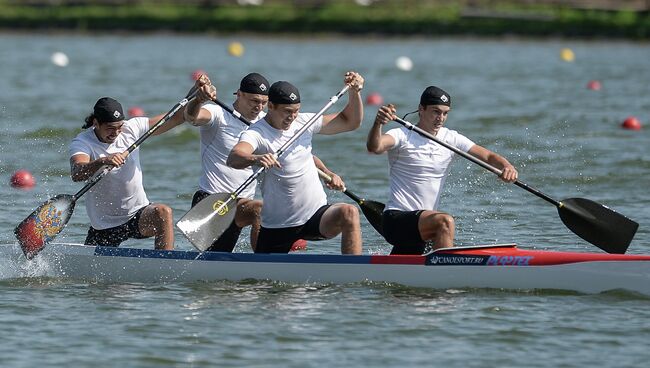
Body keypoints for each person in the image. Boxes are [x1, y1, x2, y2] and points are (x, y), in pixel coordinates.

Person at [184, 73, 337, 252]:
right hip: (212, 200)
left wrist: (327, 172)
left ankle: (267, 261)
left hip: (241, 203)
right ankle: (264, 263)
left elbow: (299, 154)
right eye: (254, 101)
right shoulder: (218, 114)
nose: (259, 107)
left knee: (264, 212)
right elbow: (191, 117)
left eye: (264, 102)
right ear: (239, 94)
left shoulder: (266, 124)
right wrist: (198, 100)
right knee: (258, 210)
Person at [366, 86, 519, 255]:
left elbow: (489, 156)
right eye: (436, 112)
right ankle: (447, 272)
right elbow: (375, 146)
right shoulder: (402, 135)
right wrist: (378, 123)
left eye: (445, 113)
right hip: (396, 220)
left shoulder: (451, 138)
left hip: (422, 227)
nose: (441, 118)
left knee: (405, 271)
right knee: (445, 222)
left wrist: (507, 166)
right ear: (421, 109)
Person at [226, 72, 365, 254]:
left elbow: (351, 122)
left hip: (315, 215)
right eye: (287, 112)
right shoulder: (256, 133)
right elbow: (235, 157)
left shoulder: (304, 122)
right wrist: (256, 158)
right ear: (271, 106)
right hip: (278, 225)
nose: (292, 117)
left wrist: (354, 92)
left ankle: (352, 273)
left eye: (296, 110)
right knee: (263, 280)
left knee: (349, 213)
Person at [69, 97, 186, 250]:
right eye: (111, 128)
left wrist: (198, 98)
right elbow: (77, 172)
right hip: (104, 226)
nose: (116, 133)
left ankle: (165, 265)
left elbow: (176, 118)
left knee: (163, 213)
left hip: (137, 216)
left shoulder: (132, 128)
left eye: (119, 127)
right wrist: (102, 161)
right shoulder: (82, 143)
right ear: (96, 123)